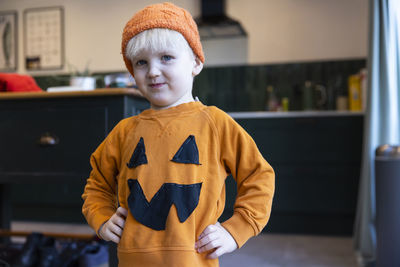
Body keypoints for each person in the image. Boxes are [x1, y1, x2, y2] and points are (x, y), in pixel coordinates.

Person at [81, 2, 275, 266]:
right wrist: (102, 217)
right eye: (141, 62)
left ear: (195, 62)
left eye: (166, 58)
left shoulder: (216, 123)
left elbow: (259, 176)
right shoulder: (124, 131)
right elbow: (97, 184)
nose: (152, 71)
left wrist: (236, 229)